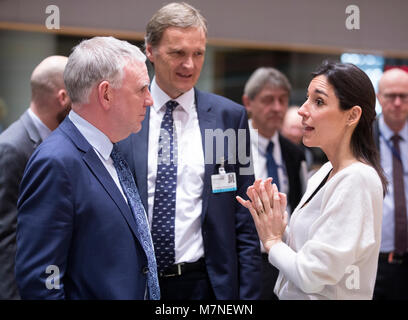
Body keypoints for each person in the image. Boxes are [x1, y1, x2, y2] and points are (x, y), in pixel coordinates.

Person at [118, 2, 261, 300]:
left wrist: (247, 295)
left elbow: (243, 217)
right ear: (150, 51)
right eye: (177, 53)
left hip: (205, 284)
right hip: (135, 281)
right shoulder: (124, 115)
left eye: (198, 54)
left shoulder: (228, 118)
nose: (189, 65)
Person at [15, 36, 160, 299]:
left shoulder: (112, 152)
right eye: (141, 89)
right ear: (106, 94)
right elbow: (41, 282)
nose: (149, 100)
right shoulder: (56, 162)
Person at [238, 61, 387, 300]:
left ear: (352, 115)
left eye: (318, 102)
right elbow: (308, 247)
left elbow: (313, 274)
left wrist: (273, 241)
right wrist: (277, 226)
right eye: (307, 99)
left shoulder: (357, 179)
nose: (302, 110)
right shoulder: (325, 171)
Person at [0, 55, 71, 300]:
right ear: (63, 97)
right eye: (77, 92)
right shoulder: (12, 147)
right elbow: (6, 235)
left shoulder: (56, 141)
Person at [241, 67, 307, 299]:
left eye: (283, 100)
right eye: (268, 100)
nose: (277, 108)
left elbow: (300, 205)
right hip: (246, 260)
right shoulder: (230, 147)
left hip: (287, 258)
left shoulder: (293, 153)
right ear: (248, 102)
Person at [373, 68, 408, 300]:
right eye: (390, 96)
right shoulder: (360, 137)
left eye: (404, 96)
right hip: (374, 261)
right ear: (378, 97)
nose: (397, 102)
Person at [281, 105, 327, 176]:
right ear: (282, 126)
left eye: (300, 129)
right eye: (293, 128)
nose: (295, 134)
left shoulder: (308, 153)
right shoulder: (273, 150)